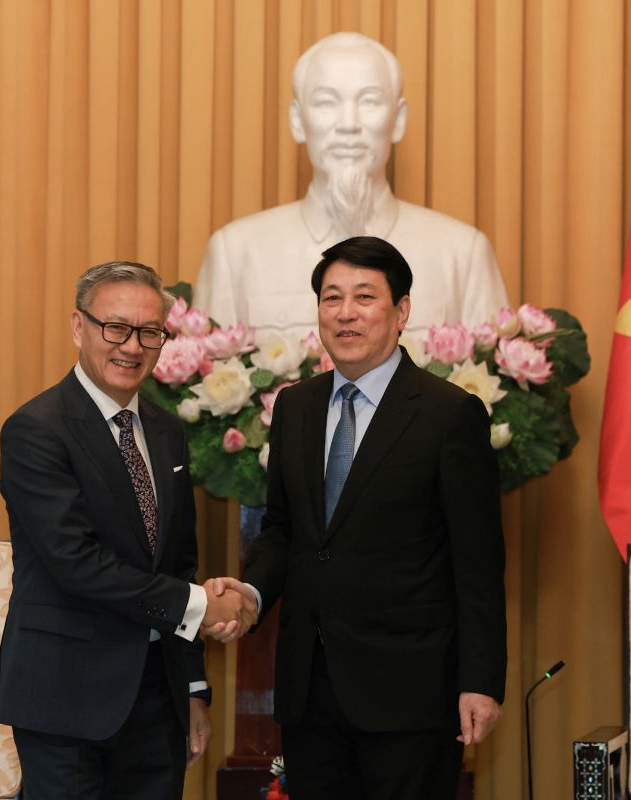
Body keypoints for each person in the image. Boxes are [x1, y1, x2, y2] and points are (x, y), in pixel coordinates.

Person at [213, 237, 507, 799]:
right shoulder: (295, 406)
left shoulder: (449, 414)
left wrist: (481, 681)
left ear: (401, 311)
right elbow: (284, 530)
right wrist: (250, 592)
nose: (345, 313)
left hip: (411, 693)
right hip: (310, 690)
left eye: (364, 297)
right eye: (332, 298)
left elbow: (477, 562)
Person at [0, 261, 256, 799]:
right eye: (115, 328)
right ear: (79, 327)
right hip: (67, 700)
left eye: (149, 332)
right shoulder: (36, 430)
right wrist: (202, 606)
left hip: (158, 702)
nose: (132, 347)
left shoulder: (166, 431)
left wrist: (193, 687)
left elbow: (178, 564)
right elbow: (76, 563)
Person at [193, 32, 509, 339]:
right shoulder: (235, 254)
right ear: (298, 121)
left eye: (370, 101)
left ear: (398, 120)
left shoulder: (462, 256)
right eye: (326, 102)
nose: (348, 124)